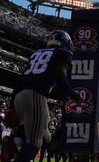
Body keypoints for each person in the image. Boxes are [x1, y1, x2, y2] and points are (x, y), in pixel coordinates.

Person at [12, 30, 79, 162]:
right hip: (35, 95)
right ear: (65, 42)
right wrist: (73, 93)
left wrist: (11, 106)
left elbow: (21, 79)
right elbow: (61, 76)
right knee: (34, 143)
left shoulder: (36, 53)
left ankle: (13, 143)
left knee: (44, 135)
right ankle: (14, 146)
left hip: (19, 95)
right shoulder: (63, 53)